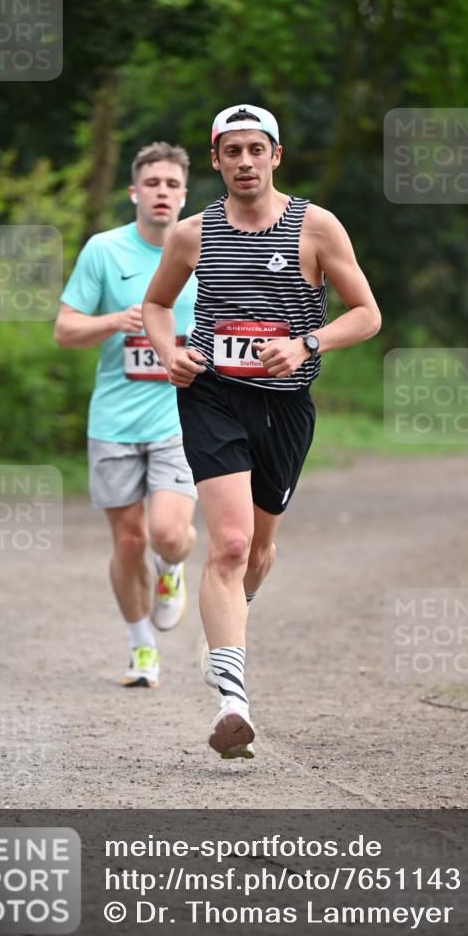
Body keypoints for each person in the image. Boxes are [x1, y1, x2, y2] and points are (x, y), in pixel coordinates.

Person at [142, 105, 381, 759]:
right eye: (232, 151)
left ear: (276, 155)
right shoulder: (192, 234)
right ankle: (232, 702)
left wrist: (307, 343)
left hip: (284, 406)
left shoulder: (316, 226)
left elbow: (366, 314)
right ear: (215, 160)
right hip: (211, 395)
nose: (244, 161)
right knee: (229, 544)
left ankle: (226, 626)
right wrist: (168, 352)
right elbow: (156, 305)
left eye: (256, 149)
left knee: (258, 551)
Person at [54, 142, 198, 689]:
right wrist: (115, 320)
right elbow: (65, 330)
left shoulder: (205, 247)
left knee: (168, 535)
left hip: (181, 416)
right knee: (129, 541)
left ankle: (172, 568)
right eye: (152, 183)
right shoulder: (105, 250)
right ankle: (142, 648)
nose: (162, 192)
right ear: (134, 192)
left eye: (172, 184)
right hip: (114, 420)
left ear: (184, 195)